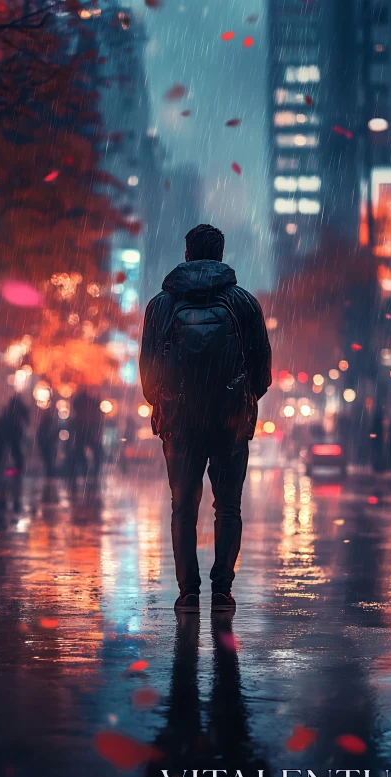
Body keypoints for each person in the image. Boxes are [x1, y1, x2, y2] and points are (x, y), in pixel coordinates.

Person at [140, 224, 271, 614]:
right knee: (227, 506)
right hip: (229, 421)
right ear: (220, 254)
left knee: (183, 505)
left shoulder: (160, 305)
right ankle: (222, 591)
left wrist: (167, 403)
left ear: (186, 254)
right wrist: (240, 400)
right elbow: (262, 370)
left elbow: (148, 371)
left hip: (180, 422)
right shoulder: (244, 302)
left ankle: (188, 592)